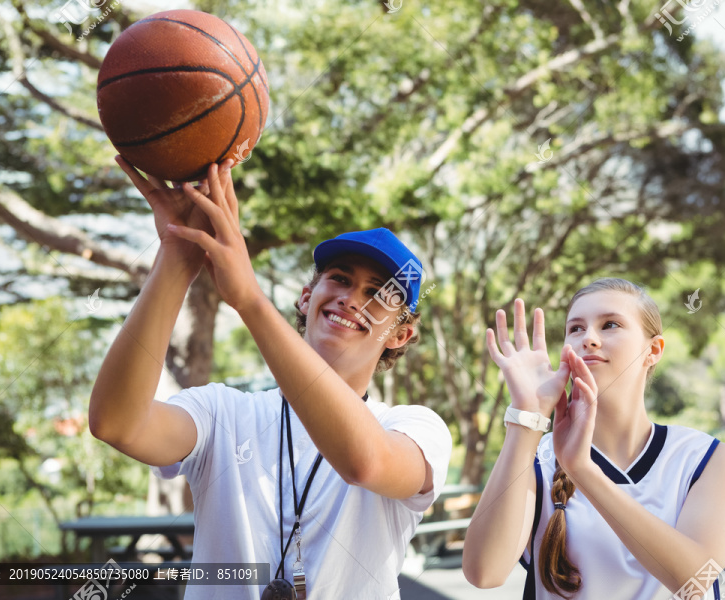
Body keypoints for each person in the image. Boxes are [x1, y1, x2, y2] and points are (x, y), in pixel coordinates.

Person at [89, 157, 452, 600]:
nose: (350, 299)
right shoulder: (223, 411)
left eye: (377, 293)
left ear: (401, 334)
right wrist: (175, 257)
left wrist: (249, 299)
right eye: (338, 279)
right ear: (307, 298)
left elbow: (365, 463)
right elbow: (115, 423)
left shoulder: (414, 427)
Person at [462, 278, 725, 600]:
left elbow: (695, 581)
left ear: (653, 350)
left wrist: (582, 470)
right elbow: (484, 572)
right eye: (576, 329)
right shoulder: (537, 459)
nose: (589, 339)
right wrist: (526, 415)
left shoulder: (705, 458)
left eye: (609, 325)